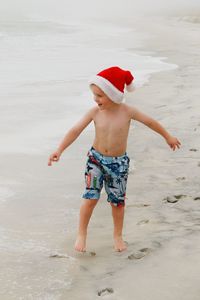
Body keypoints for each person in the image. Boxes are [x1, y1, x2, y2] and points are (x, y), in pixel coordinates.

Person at [48, 66, 181, 252]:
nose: (96, 99)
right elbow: (75, 130)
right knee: (90, 198)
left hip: (118, 165)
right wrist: (59, 150)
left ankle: (118, 236)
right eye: (94, 94)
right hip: (95, 160)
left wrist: (167, 136)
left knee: (117, 202)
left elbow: (150, 122)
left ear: (114, 94)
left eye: (100, 95)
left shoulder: (127, 111)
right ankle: (82, 234)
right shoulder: (94, 112)